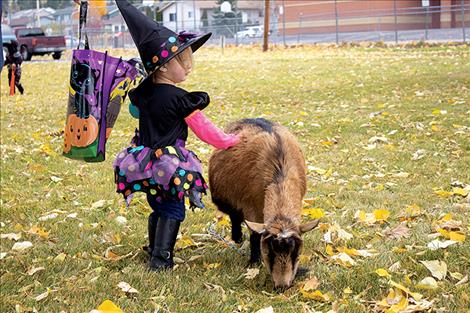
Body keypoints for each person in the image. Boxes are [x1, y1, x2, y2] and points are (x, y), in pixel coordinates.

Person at [113, 0, 239, 272]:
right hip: (169, 166)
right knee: (173, 209)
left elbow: (136, 112)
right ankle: (160, 260)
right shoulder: (181, 100)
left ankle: (153, 249)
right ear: (164, 67)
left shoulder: (143, 97)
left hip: (144, 164)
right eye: (183, 62)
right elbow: (204, 130)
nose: (189, 67)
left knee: (157, 205)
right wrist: (229, 141)